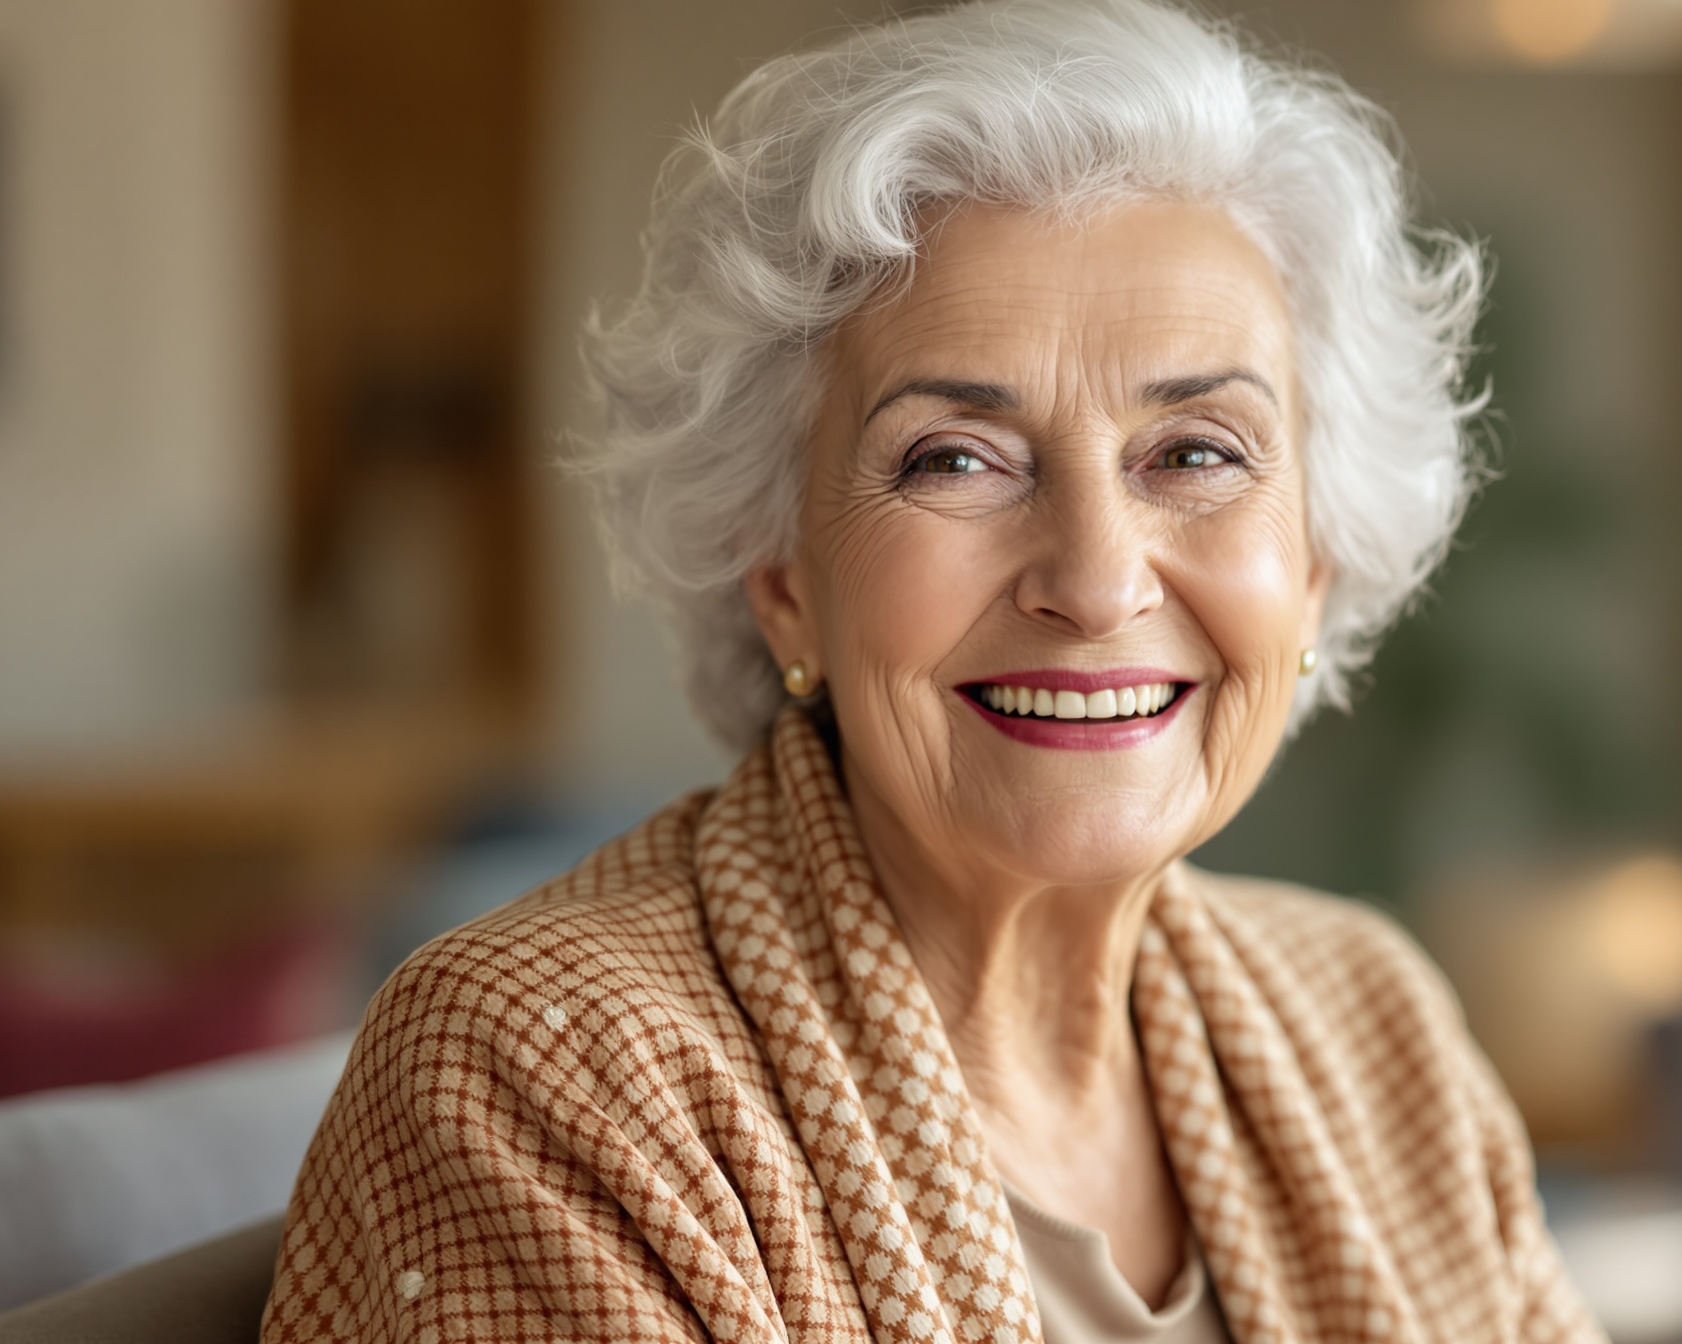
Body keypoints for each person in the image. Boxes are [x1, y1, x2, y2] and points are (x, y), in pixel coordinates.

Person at [262, 3, 1598, 1340]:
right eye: (953, 458)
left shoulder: (1370, 1024)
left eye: (1195, 453)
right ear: (783, 580)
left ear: (1313, 567)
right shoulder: (553, 1069)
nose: (1093, 578)